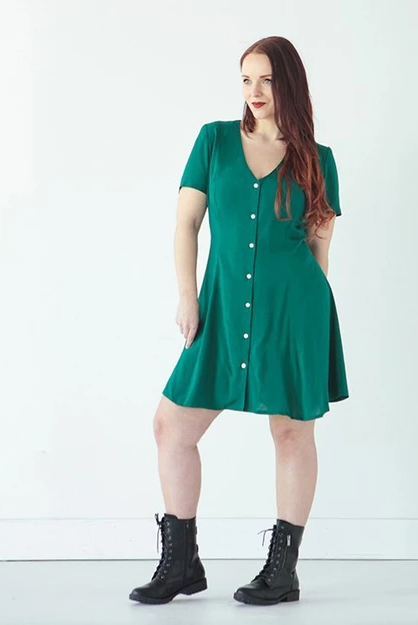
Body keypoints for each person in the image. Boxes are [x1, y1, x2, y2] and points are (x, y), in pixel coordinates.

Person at [129, 35, 349, 607]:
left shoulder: (318, 159)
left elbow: (320, 248)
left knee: (291, 432)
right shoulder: (215, 140)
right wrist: (188, 296)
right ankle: (182, 564)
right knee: (171, 426)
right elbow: (186, 224)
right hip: (222, 308)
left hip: (292, 312)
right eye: (247, 79)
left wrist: (311, 326)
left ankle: (282, 571)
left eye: (267, 80)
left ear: (289, 84)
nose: (254, 91)